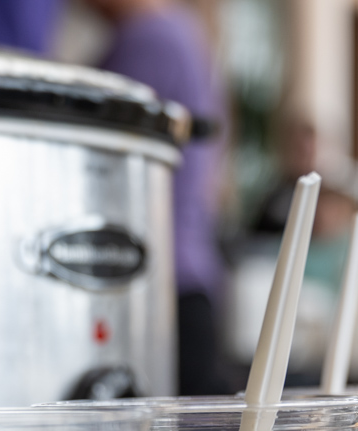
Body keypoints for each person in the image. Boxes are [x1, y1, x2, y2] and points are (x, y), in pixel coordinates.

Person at [85, 0, 230, 395]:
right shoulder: (182, 34)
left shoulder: (148, 40)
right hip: (187, 277)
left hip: (159, 285)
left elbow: (96, 165)